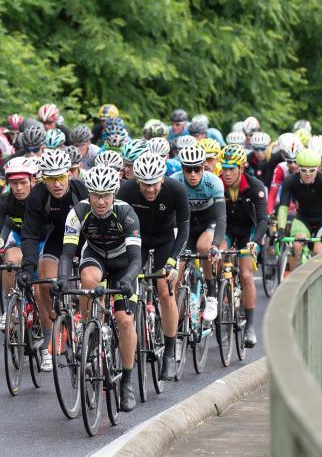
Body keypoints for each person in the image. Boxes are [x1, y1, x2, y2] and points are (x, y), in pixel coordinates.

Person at [55, 165, 141, 411]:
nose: (100, 201)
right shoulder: (78, 211)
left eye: (105, 195)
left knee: (124, 321)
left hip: (124, 263)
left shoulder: (127, 214)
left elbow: (137, 258)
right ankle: (86, 327)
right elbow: (67, 252)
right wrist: (62, 278)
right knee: (89, 280)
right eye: (95, 195)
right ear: (89, 194)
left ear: (114, 194)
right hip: (95, 255)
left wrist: (128, 279)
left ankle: (127, 381)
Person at [117, 152, 190, 379]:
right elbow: (117, 225)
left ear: (162, 179)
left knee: (164, 289)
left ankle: (169, 352)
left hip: (164, 240)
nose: (150, 190)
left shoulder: (176, 189)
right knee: (128, 281)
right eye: (145, 185)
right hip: (136, 240)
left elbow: (184, 228)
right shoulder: (127, 190)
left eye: (154, 184)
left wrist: (172, 261)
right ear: (137, 180)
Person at [18, 149, 88, 372]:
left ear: (69, 174)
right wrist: (27, 267)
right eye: (50, 179)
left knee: (90, 281)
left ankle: (89, 331)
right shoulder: (38, 195)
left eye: (60, 177)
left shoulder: (81, 189)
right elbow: (30, 234)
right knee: (45, 281)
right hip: (59, 237)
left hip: (87, 236)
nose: (57, 184)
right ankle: (49, 339)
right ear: (42, 179)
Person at [218, 145, 268, 347]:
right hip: (227, 230)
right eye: (224, 168)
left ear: (241, 168)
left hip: (249, 231)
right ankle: (221, 295)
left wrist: (255, 243)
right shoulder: (218, 184)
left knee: (246, 275)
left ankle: (249, 327)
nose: (227, 172)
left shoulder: (255, 186)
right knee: (218, 256)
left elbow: (263, 220)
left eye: (231, 168)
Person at [0, 157, 38, 326]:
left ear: (32, 180)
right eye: (13, 183)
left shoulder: (42, 197)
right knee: (10, 261)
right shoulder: (5, 200)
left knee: (42, 274)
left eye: (22, 182)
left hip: (42, 239)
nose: (18, 188)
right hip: (19, 235)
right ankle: (10, 305)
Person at [171, 145, 226, 321]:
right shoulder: (174, 181)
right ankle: (176, 323)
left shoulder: (214, 182)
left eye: (197, 169)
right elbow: (169, 217)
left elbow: (221, 218)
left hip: (208, 223)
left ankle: (211, 293)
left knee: (204, 247)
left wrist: (215, 245)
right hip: (185, 226)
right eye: (188, 169)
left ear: (203, 167)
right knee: (175, 271)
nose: (193, 174)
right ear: (182, 169)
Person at [277, 149, 322, 262]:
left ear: (318, 168)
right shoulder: (290, 180)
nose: (308, 174)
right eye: (304, 170)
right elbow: (283, 207)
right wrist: (281, 229)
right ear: (298, 168)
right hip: (303, 218)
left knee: (318, 250)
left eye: (312, 170)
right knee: (297, 245)